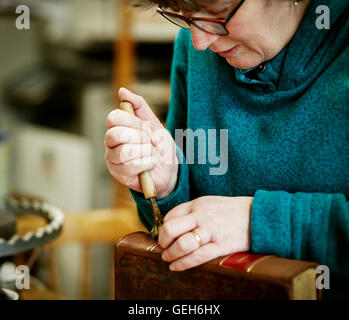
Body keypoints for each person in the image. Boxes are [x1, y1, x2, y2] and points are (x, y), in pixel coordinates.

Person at [105, 0, 349, 298]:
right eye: (183, 16)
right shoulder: (196, 43)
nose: (199, 41)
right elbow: (183, 235)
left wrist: (257, 221)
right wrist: (170, 185)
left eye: (219, 15)